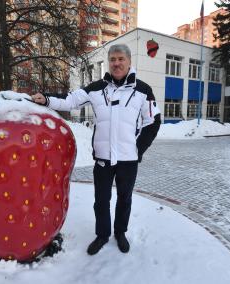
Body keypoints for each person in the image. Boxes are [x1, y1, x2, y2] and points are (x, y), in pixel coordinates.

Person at [32, 44, 161, 255]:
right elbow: (70, 100)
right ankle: (102, 235)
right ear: (109, 63)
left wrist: (138, 148)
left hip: (128, 160)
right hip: (103, 158)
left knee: (124, 199)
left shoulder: (142, 90)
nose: (117, 63)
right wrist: (46, 99)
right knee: (101, 200)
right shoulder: (97, 88)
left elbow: (153, 121)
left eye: (121, 59)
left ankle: (120, 233)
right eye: (113, 60)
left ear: (129, 62)